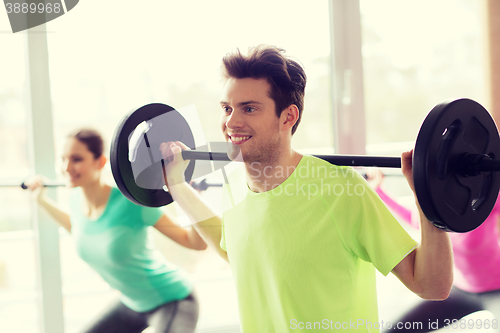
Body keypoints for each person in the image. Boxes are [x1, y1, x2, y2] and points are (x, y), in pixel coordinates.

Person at [159, 45, 454, 333]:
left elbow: (431, 286)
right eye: (226, 108)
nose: (231, 122)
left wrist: (429, 198)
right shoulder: (234, 186)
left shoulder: (340, 191)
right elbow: (234, 251)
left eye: (249, 109)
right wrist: (177, 185)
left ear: (288, 117)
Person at [25, 128, 207, 333]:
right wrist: (41, 200)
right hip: (132, 303)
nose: (66, 167)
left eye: (76, 159)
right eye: (63, 159)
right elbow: (82, 229)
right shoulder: (75, 201)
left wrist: (194, 200)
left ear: (100, 162)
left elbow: (195, 243)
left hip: (172, 299)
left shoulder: (131, 202)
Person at [367, 170, 500, 333]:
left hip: (496, 290)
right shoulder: (435, 207)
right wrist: (379, 191)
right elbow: (414, 220)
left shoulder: (486, 199)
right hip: (458, 292)